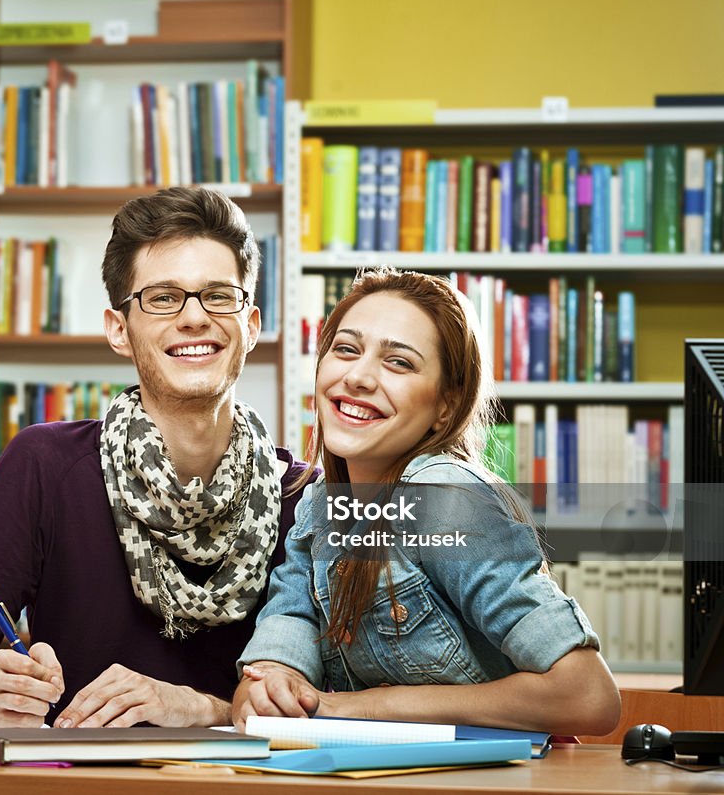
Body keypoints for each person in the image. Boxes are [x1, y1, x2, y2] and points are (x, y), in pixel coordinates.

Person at [0, 187, 310, 728]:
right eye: (163, 298)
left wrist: (202, 709)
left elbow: (327, 697)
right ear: (119, 330)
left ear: (252, 324)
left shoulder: (306, 496)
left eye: (218, 295)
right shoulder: (44, 466)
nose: (194, 318)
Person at [232, 267, 621, 737]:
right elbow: (269, 671)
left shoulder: (445, 499)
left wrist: (366, 706)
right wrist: (269, 687)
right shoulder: (317, 509)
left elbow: (587, 696)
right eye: (346, 349)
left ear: (445, 407)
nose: (357, 376)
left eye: (399, 362)